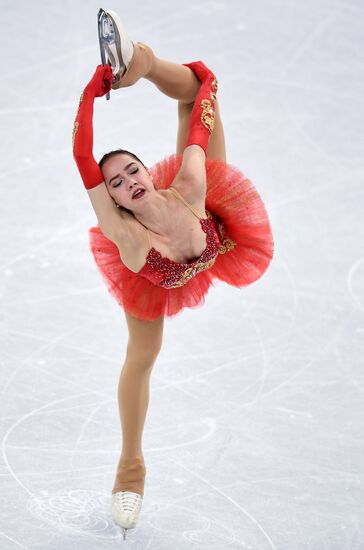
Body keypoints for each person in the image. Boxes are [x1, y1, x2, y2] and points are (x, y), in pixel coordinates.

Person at [72, 8, 274, 539]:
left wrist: (159, 75)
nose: (127, 181)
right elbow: (82, 156)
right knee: (142, 357)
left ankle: (138, 60)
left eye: (132, 170)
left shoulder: (190, 184)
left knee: (199, 94)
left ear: (145, 170)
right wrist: (92, 94)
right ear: (113, 199)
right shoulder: (129, 238)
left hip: (212, 229)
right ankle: (130, 468)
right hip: (153, 280)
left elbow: (205, 86)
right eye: (115, 183)